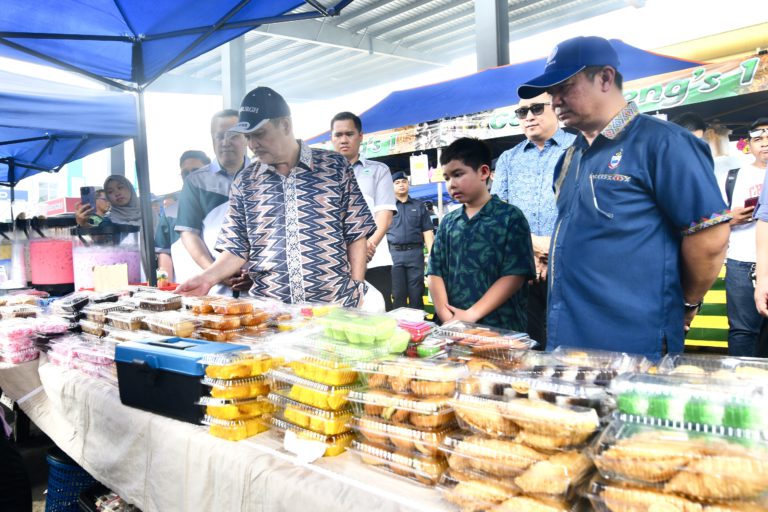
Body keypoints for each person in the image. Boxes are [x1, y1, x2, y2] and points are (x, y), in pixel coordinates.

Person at [517, 36, 730, 359]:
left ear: (604, 78)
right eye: (552, 92)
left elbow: (710, 237)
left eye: (565, 87)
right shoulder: (570, 158)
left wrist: (686, 303)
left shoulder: (664, 144)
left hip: (633, 339)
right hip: (569, 338)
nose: (555, 100)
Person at [176, 87, 375, 307]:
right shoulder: (246, 181)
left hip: (334, 306)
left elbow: (356, 233)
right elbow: (235, 248)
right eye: (248, 137)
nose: (252, 145)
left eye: (259, 134)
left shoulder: (334, 167)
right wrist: (207, 278)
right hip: (273, 312)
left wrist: (357, 288)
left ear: (285, 125)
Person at [491, 92, 576, 348]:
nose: (528, 116)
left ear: (556, 108)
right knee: (528, 342)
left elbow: (586, 209)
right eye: (522, 112)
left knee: (570, 344)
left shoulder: (580, 148)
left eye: (537, 109)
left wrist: (553, 247)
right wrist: (532, 244)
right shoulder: (509, 159)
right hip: (523, 268)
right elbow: (497, 212)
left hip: (570, 262)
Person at [427, 137, 535, 332]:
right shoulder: (449, 222)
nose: (451, 184)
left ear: (484, 172)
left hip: (499, 326)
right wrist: (447, 316)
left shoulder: (509, 217)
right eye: (446, 178)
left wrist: (471, 315)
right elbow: (435, 272)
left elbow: (515, 275)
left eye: (458, 174)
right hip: (452, 327)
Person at [174, 111, 251, 293]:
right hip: (216, 290)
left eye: (233, 135)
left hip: (261, 286)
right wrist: (216, 273)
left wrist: (256, 274)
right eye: (219, 136)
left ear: (246, 138)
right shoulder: (196, 182)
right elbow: (189, 234)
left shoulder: (266, 176)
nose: (225, 142)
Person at [331, 111, 397, 310]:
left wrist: (368, 246)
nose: (344, 140)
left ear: (360, 136)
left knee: (376, 318)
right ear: (331, 138)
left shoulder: (379, 170)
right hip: (334, 263)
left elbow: (384, 216)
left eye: (349, 134)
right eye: (338, 135)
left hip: (374, 260)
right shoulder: (321, 176)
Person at [719, 118, 768, 356]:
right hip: (741, 263)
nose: (765, 144)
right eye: (758, 139)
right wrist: (730, 218)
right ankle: (741, 385)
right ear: (748, 144)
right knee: (742, 331)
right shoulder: (733, 176)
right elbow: (709, 219)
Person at [156, 150, 210, 283]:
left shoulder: (223, 206)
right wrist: (165, 287)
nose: (191, 176)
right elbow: (165, 253)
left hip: (222, 290)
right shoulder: (170, 213)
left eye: (196, 170)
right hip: (185, 290)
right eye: (186, 173)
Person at [388, 171, 434, 310]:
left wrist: (432, 255)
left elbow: (427, 231)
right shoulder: (388, 207)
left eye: (404, 182)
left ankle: (418, 328)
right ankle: (400, 328)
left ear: (408, 184)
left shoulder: (419, 206)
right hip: (394, 255)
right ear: (391, 186)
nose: (401, 185)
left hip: (415, 254)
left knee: (416, 293)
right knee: (398, 293)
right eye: (397, 183)